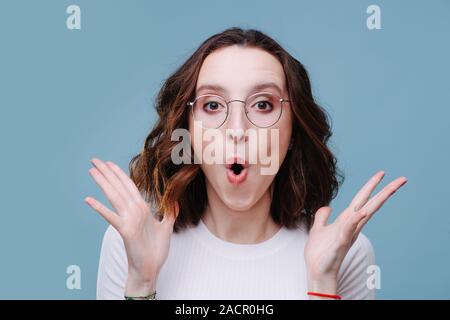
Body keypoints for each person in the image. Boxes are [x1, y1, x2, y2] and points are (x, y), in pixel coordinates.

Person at [85, 27, 407, 300]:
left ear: (293, 131)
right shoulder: (130, 244)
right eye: (212, 105)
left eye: (263, 104)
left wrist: (322, 285)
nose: (237, 131)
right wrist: (142, 282)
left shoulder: (346, 253)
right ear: (189, 130)